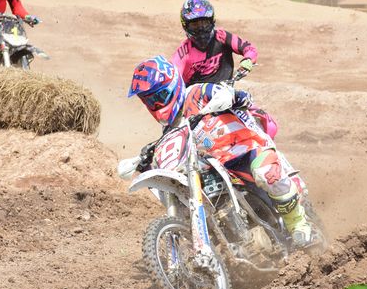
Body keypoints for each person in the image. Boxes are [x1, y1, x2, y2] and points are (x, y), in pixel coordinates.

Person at [127, 55, 322, 248]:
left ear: (173, 85)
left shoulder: (195, 93)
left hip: (246, 150)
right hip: (216, 167)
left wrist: (232, 96)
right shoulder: (170, 129)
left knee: (266, 174)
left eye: (158, 97)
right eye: (149, 101)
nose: (156, 104)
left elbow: (230, 93)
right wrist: (146, 163)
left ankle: (299, 226)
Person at [171, 0, 278, 138]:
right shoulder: (183, 52)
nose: (201, 29)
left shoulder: (222, 37)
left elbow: (249, 48)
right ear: (186, 26)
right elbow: (172, 79)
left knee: (270, 126)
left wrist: (247, 60)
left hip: (227, 96)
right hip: (198, 106)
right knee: (178, 134)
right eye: (195, 25)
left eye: (204, 23)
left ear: (212, 21)